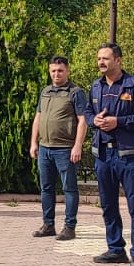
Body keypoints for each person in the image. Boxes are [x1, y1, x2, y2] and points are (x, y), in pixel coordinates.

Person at [90, 44, 134, 266]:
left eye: (105, 58)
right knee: (108, 204)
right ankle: (115, 248)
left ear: (118, 60)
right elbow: (88, 113)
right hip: (103, 155)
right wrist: (94, 120)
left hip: (129, 155)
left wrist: (118, 122)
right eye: (99, 58)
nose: (101, 62)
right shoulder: (95, 86)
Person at [29, 55, 90, 241]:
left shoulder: (75, 92)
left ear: (67, 71)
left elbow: (83, 121)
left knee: (69, 188)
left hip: (65, 149)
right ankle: (48, 224)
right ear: (49, 71)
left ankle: (69, 227)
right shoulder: (45, 91)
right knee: (46, 188)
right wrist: (33, 142)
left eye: (60, 70)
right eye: (53, 70)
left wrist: (77, 145)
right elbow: (38, 118)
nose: (57, 74)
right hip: (45, 148)